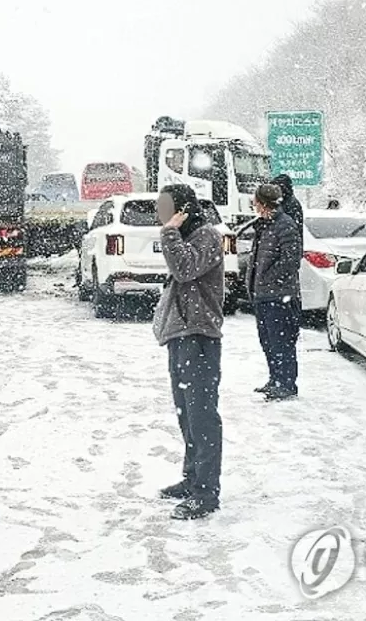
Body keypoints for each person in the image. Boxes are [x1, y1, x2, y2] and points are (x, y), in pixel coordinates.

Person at [152, 184, 225, 520]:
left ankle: (206, 493)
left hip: (199, 337)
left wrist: (169, 234)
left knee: (202, 416)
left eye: (165, 207)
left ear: (182, 208)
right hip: (180, 336)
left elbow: (184, 269)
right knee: (186, 413)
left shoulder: (206, 235)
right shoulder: (186, 235)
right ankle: (192, 477)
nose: (160, 214)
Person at [248, 183, 303, 401]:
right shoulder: (264, 225)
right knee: (268, 341)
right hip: (263, 294)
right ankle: (275, 379)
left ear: (263, 203)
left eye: (255, 201)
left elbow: (291, 259)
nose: (254, 205)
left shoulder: (284, 225)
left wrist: (270, 279)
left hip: (279, 295)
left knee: (282, 342)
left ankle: (286, 384)